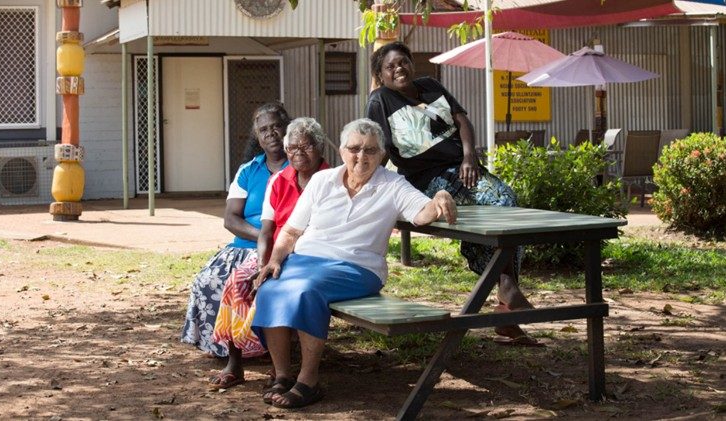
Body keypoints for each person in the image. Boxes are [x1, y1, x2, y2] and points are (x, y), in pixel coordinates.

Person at [250, 118, 457, 409]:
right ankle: (283, 375)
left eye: (371, 150)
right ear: (342, 151)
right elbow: (291, 231)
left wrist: (440, 196)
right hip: (306, 261)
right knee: (270, 287)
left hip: (357, 268)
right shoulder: (323, 180)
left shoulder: (393, 184)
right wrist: (274, 260)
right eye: (355, 149)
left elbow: (422, 213)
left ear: (382, 154)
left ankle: (308, 381)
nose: (362, 156)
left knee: (306, 291)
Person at [365, 41, 538, 345]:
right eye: (390, 66)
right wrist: (368, 185)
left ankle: (505, 299)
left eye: (403, 62)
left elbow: (461, 120)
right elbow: (378, 146)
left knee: (505, 202)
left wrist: (470, 156)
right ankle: (506, 287)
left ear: (411, 63)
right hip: (426, 179)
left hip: (463, 167)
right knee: (477, 220)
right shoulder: (380, 100)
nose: (398, 69)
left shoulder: (431, 85)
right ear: (381, 75)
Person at [208, 117, 331, 389]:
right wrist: (263, 266)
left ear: (320, 147)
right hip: (277, 253)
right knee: (239, 282)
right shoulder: (278, 181)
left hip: (312, 257)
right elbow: (266, 231)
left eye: (307, 146)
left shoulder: (332, 179)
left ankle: (281, 370)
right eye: (293, 148)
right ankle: (235, 362)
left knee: (284, 290)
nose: (299, 153)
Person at [181, 102, 290, 357]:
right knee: (208, 281)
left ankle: (262, 350)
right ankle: (224, 349)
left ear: (287, 129)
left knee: (249, 283)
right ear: (258, 138)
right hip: (243, 246)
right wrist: (263, 236)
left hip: (282, 249)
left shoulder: (300, 167)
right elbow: (230, 219)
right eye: (264, 130)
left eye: (276, 126)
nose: (271, 133)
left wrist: (275, 241)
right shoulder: (248, 170)